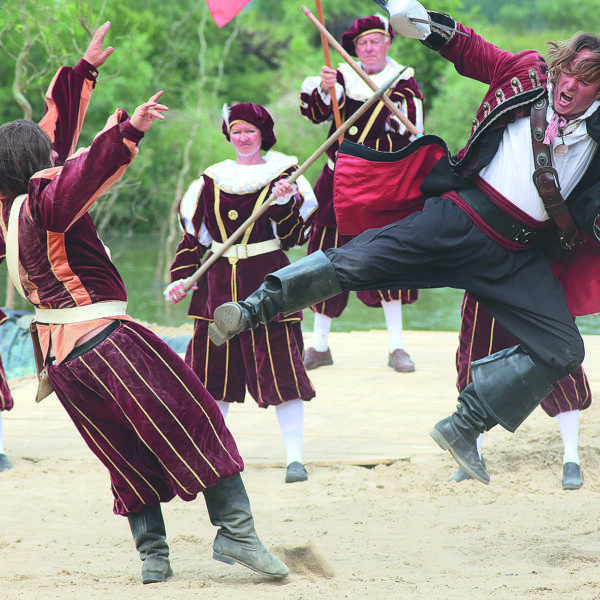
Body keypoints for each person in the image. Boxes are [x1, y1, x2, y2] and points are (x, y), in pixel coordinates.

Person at [208, 3, 600, 487]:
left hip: (517, 255)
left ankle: (465, 423)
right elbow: (468, 48)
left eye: (586, 80)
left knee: (564, 349)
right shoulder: (523, 73)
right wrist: (419, 19)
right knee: (361, 258)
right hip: (460, 218)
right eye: (568, 72)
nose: (570, 85)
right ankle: (252, 309)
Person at [0, 23, 288, 585]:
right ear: (38, 165)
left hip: (62, 365)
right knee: (195, 418)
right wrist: (125, 131)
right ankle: (236, 534)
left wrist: (82, 73)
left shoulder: (6, 209)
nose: (59, 154)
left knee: (122, 448)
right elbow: (73, 174)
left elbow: (49, 144)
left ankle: (154, 556)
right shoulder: (43, 201)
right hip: (103, 341)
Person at [165, 102, 317, 484]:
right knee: (211, 377)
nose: (243, 138)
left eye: (250, 131)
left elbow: (297, 239)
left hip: (268, 286)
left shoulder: (285, 176)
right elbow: (194, 239)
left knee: (283, 374)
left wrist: (284, 203)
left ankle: (294, 460)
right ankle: (210, 456)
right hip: (217, 288)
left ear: (263, 134)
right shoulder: (211, 180)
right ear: (228, 135)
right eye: (236, 131)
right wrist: (181, 278)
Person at [299, 14, 424, 373]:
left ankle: (397, 347)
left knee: (388, 257)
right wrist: (325, 90)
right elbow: (316, 113)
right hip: (337, 182)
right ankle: (319, 346)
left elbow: (411, 134)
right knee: (326, 257)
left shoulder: (403, 84)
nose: (369, 49)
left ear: (388, 43)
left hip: (381, 185)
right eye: (362, 44)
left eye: (375, 41)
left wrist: (393, 113)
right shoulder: (340, 78)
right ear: (355, 48)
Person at [453, 291, 590, 489]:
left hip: (543, 275)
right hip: (487, 275)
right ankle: (472, 454)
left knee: (560, 360)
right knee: (476, 359)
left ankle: (571, 459)